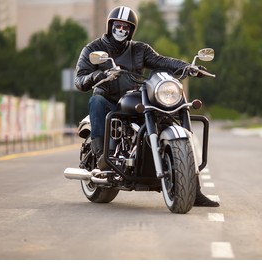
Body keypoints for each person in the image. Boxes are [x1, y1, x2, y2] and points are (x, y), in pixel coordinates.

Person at [74, 6, 219, 207]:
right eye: (118, 25)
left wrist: (187, 67)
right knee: (96, 101)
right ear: (110, 25)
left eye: (126, 27)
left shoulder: (139, 49)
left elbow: (161, 61)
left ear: (131, 30)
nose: (121, 29)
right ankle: (101, 155)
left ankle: (193, 189)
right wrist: (99, 75)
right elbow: (80, 80)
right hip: (109, 100)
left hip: (135, 98)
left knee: (166, 114)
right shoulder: (93, 49)